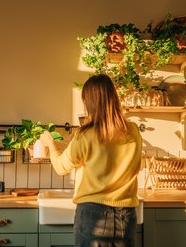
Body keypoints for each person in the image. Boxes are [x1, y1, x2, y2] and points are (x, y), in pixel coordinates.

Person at [40, 74, 142, 247]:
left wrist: (50, 144)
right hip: (126, 215)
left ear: (89, 102)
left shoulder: (85, 135)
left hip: (93, 215)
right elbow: (131, 164)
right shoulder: (133, 130)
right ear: (113, 98)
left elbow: (61, 167)